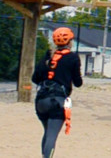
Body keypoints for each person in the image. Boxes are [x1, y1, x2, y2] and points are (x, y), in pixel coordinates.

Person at [32, 26, 83, 158]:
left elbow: (35, 78)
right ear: (70, 41)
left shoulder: (48, 55)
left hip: (41, 100)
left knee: (48, 132)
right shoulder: (73, 58)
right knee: (52, 135)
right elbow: (78, 83)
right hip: (57, 101)